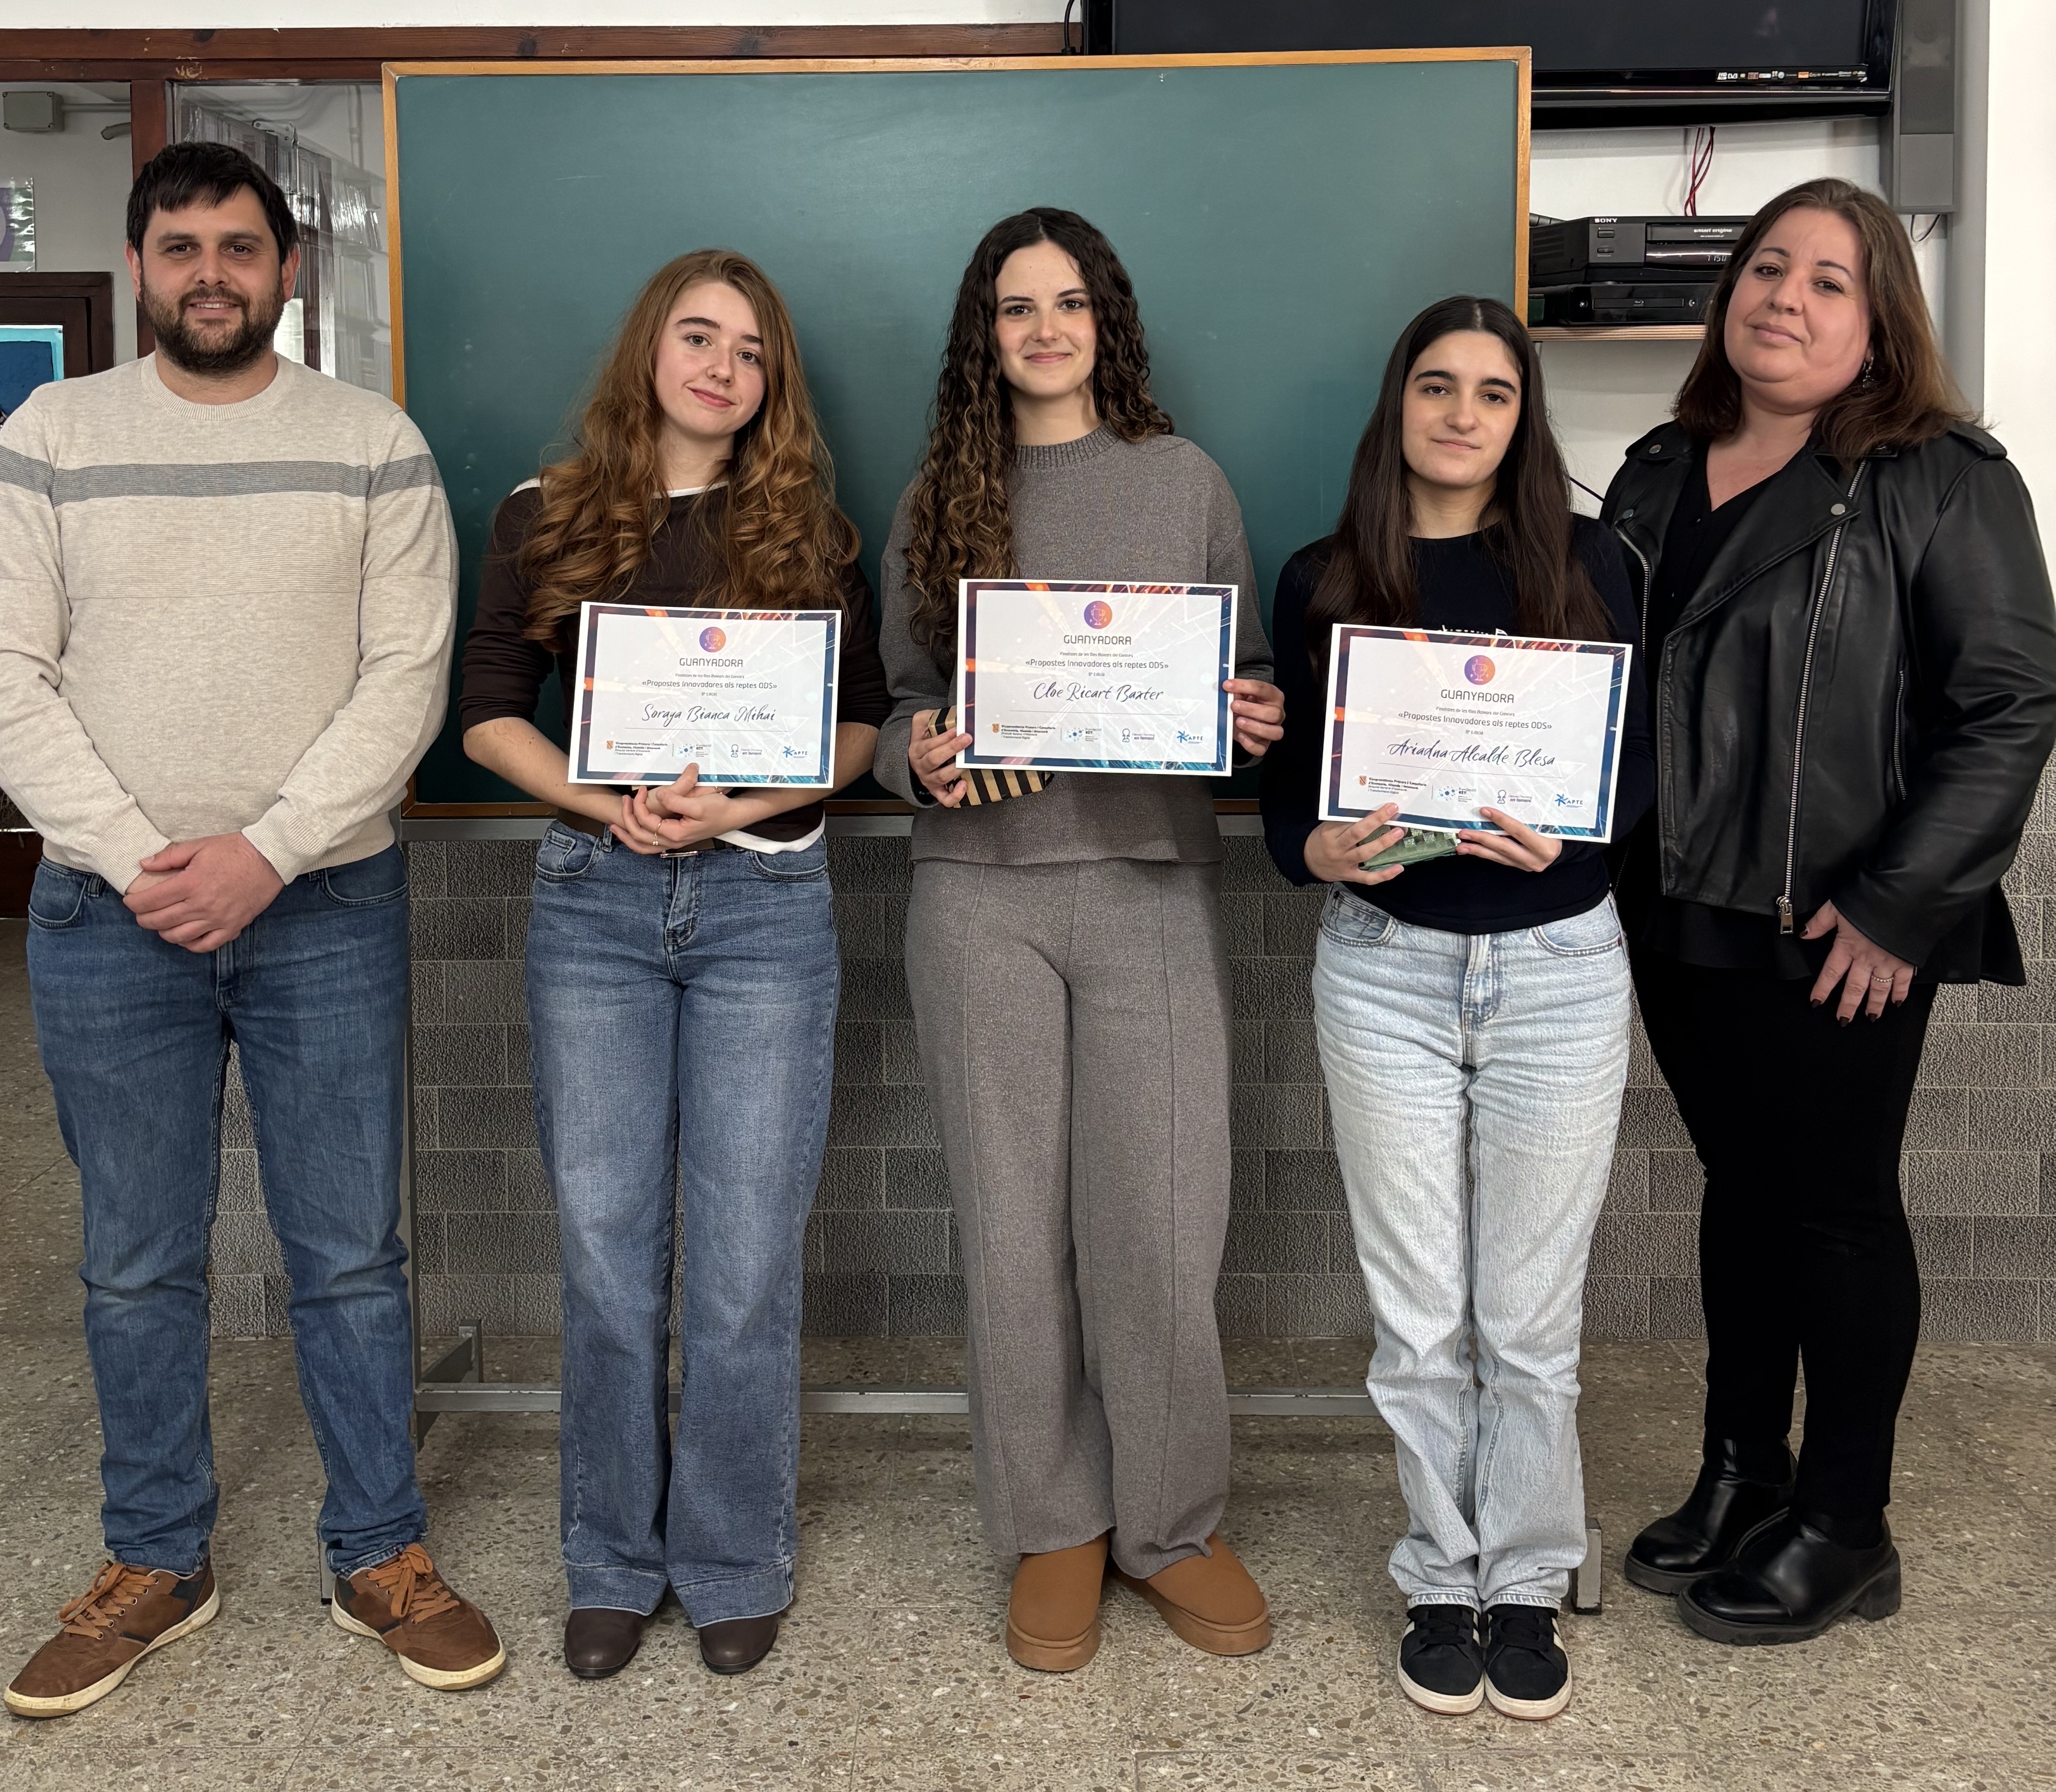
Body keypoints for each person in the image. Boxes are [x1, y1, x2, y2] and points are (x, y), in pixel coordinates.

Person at [0, 141, 501, 1717]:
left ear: (289, 268)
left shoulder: (371, 446)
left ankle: (379, 1549)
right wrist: (145, 859)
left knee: (346, 1252)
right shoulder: (51, 440)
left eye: (241, 245)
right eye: (182, 244)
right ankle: (155, 1555)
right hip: (104, 910)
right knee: (136, 1259)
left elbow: (405, 679)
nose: (212, 270)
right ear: (139, 265)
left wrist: (263, 853)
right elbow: (1, 676)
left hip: (324, 901)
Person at [1608, 177, 2056, 1644]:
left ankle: (1845, 1524)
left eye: (1826, 282)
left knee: (1837, 1207)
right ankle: (1745, 1467)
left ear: (1877, 329)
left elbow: (2006, 706)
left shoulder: (1940, 474)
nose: (1782, 298)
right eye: (1764, 267)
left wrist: (1896, 904)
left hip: (1835, 927)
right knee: (1744, 1191)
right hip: (1676, 908)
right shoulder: (1656, 469)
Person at [459, 249, 885, 1679]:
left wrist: (730, 804)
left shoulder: (811, 533)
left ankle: (729, 1556)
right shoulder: (543, 515)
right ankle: (610, 1559)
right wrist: (602, 800)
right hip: (592, 904)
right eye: (698, 337)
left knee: (748, 1265)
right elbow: (484, 712)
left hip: (765, 904)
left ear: (773, 386)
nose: (722, 366)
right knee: (603, 1250)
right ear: (647, 348)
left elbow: (855, 737)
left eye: (751, 352)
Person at [873, 207, 1287, 1671]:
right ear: (980, 336)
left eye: (1066, 304)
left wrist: (1249, 713)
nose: (1041, 330)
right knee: (1010, 1225)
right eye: (1012, 308)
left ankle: (1167, 1522)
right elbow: (898, 708)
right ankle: (1049, 1520)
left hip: (1150, 890)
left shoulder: (1184, 482)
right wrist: (911, 757)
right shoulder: (935, 498)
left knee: (1161, 1228)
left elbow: (1235, 678)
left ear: (1106, 321)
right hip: (977, 898)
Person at [1259, 296, 1652, 1721]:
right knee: (1419, 1312)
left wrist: (1581, 834)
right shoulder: (1321, 575)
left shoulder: (1597, 561)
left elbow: (1640, 772)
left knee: (1528, 1317)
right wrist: (1311, 848)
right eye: (1436, 386)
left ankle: (1529, 1573)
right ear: (1398, 405)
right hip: (1382, 970)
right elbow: (1280, 800)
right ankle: (1441, 1569)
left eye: (1492, 392)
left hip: (1555, 964)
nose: (1461, 413)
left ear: (1520, 417)